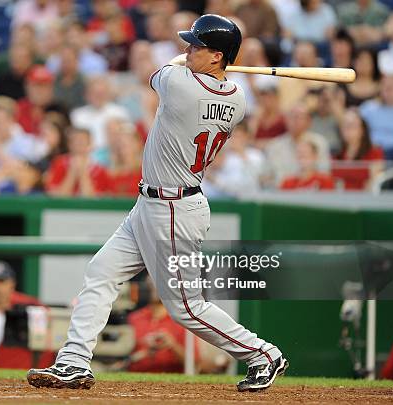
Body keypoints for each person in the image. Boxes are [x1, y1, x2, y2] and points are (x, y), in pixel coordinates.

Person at [28, 14, 288, 392]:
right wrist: (204, 62)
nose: (188, 49)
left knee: (186, 307)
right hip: (155, 203)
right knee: (101, 273)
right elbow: (191, 72)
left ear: (217, 56)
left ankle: (262, 353)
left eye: (197, 45)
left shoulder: (181, 86)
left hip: (172, 208)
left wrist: (190, 64)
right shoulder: (239, 98)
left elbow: (159, 72)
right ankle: (74, 360)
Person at [44, 127, 111, 197]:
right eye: (75, 141)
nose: (78, 144)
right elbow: (56, 197)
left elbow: (93, 201)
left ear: (91, 144)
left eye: (82, 141)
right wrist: (72, 173)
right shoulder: (59, 163)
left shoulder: (100, 170)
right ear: (69, 144)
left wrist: (83, 173)